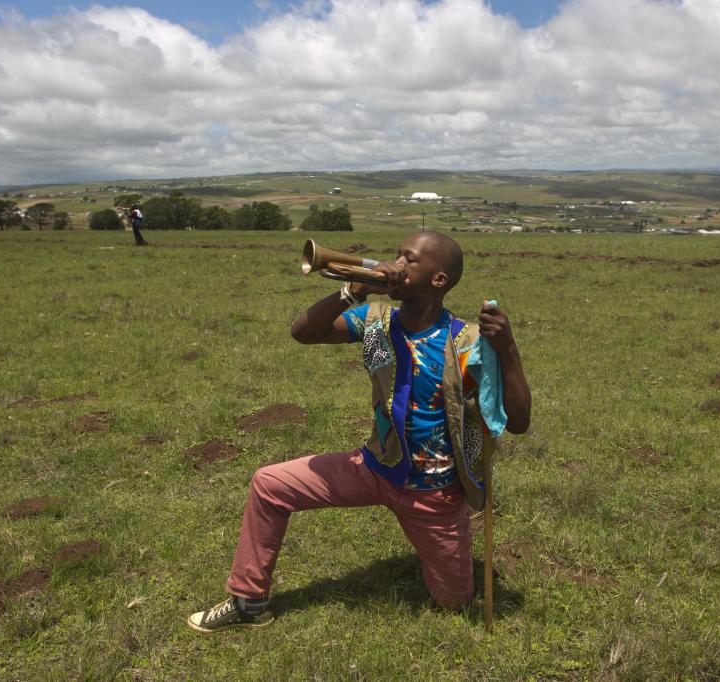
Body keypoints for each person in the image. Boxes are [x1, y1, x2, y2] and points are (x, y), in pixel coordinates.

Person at [188, 230, 532, 632]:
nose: (397, 264)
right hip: (373, 468)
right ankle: (248, 601)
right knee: (269, 484)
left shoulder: (467, 341)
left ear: (439, 280)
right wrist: (352, 292)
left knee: (454, 602)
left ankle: (440, 555)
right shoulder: (375, 320)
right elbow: (303, 332)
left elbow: (519, 422)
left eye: (411, 260)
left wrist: (507, 349)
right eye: (397, 255)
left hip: (433, 493)